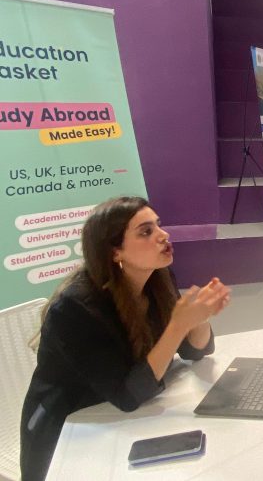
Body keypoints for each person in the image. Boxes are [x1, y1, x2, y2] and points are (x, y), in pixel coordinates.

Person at [20, 197, 231, 481]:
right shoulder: (76, 307)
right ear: (115, 252)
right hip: (70, 434)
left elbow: (195, 351)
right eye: (146, 231)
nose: (163, 234)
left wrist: (200, 316)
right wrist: (178, 325)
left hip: (121, 419)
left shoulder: (158, 277)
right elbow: (127, 395)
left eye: (158, 225)